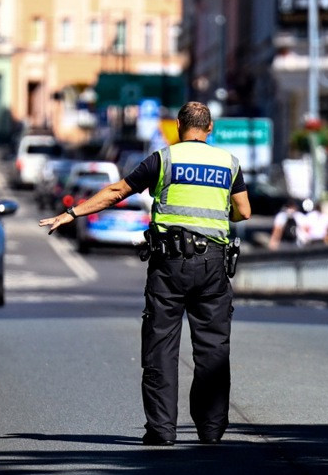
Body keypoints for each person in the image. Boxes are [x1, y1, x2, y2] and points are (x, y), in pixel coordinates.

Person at [39, 102, 252, 446]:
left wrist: (72, 213)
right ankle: (211, 431)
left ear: (179, 126)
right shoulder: (229, 163)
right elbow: (243, 211)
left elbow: (116, 191)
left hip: (169, 265)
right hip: (213, 264)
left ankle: (162, 430)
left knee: (161, 346)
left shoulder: (163, 159)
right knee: (213, 349)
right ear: (209, 128)